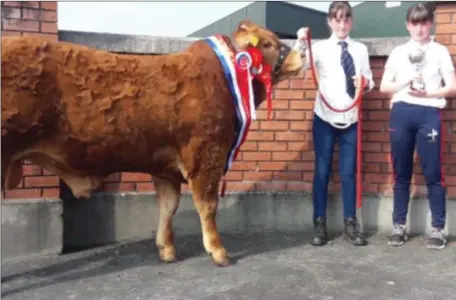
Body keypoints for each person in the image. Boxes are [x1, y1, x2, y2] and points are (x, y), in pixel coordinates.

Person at [294, 1, 375, 246]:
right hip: (325, 119)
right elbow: (299, 66)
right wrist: (300, 42)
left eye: (346, 19)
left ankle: (351, 223)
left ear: (351, 22)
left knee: (349, 173)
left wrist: (365, 83)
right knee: (322, 172)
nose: (342, 24)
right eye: (337, 20)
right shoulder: (318, 48)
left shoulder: (360, 49)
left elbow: (369, 79)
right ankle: (319, 223)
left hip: (350, 119)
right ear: (330, 22)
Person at [380, 3, 456, 249]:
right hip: (401, 112)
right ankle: (399, 226)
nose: (420, 28)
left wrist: (428, 94)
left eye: (424, 22)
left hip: (429, 113)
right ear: (407, 25)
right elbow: (384, 88)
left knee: (433, 172)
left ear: (430, 23)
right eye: (415, 23)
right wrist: (405, 82)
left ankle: (438, 229)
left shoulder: (440, 51)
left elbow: (452, 87)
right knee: (401, 173)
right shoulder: (398, 52)